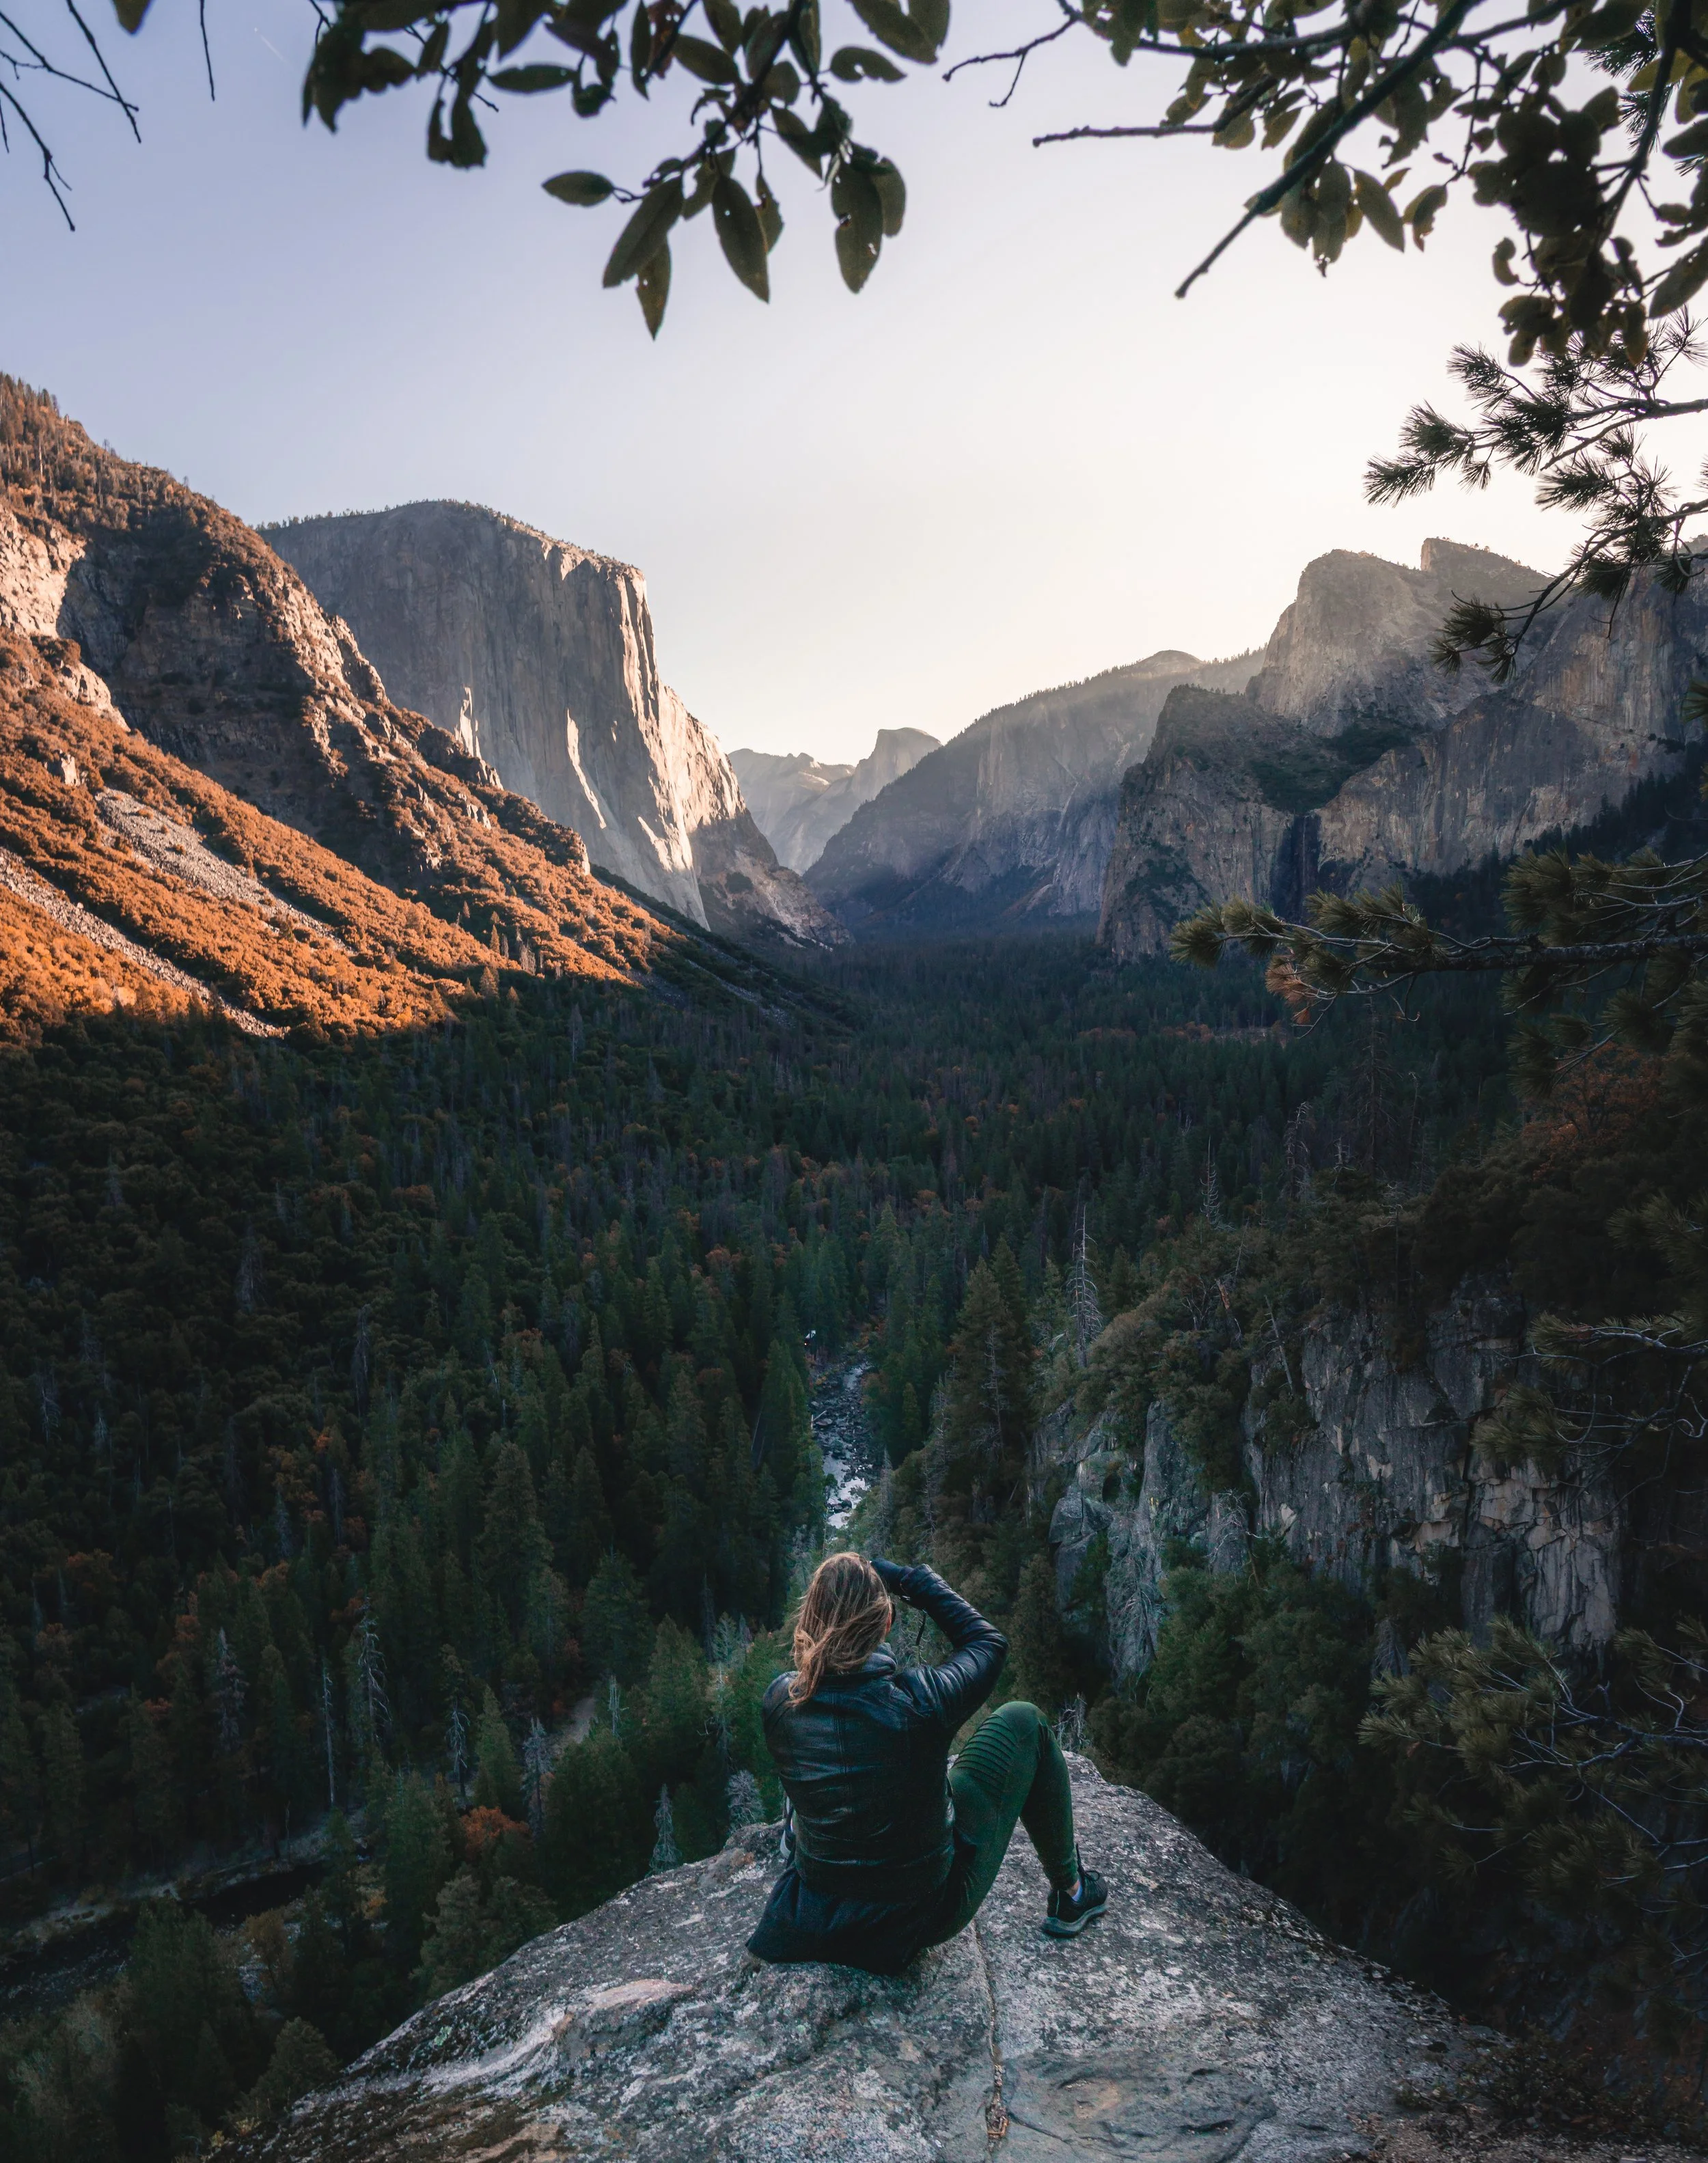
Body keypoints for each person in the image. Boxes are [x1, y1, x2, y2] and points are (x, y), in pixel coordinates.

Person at [747, 1551, 1107, 1974]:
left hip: (817, 1901)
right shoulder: (920, 1702)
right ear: (885, 1625)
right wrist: (908, 1580)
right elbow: (988, 1642)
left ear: (808, 1621)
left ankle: (796, 1836)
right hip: (918, 1913)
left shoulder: (780, 1700)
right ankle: (1072, 1892)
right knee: (1023, 1720)